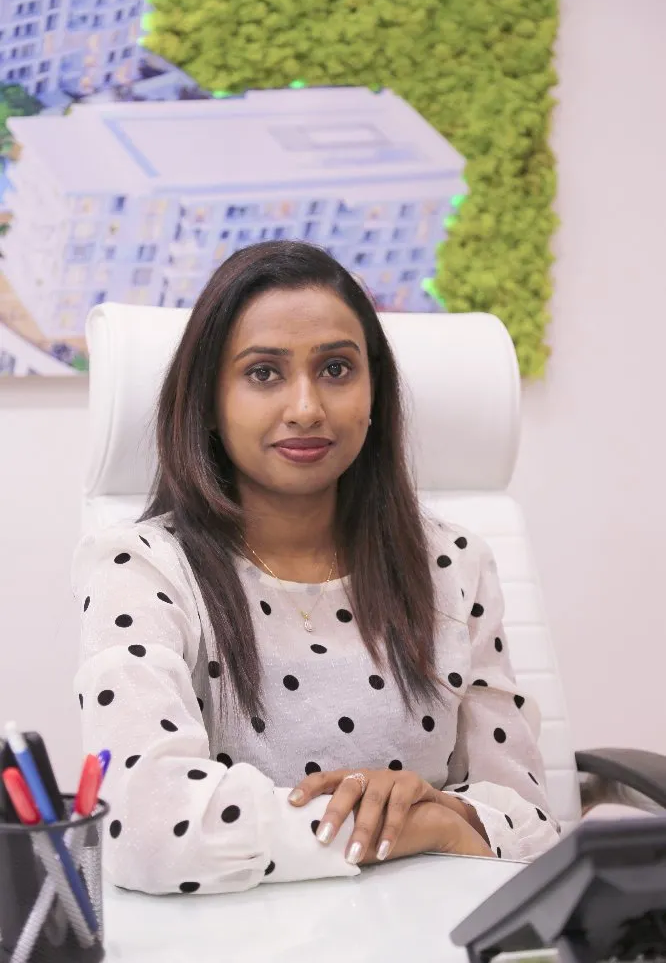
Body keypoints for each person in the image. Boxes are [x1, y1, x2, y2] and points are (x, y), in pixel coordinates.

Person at [73, 240, 559, 895]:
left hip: (426, 935)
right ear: (209, 404)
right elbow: (149, 832)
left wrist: (443, 825)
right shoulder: (142, 569)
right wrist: (408, 826)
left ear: (374, 393)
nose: (306, 407)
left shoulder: (454, 564)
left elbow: (529, 819)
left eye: (335, 369)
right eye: (264, 373)